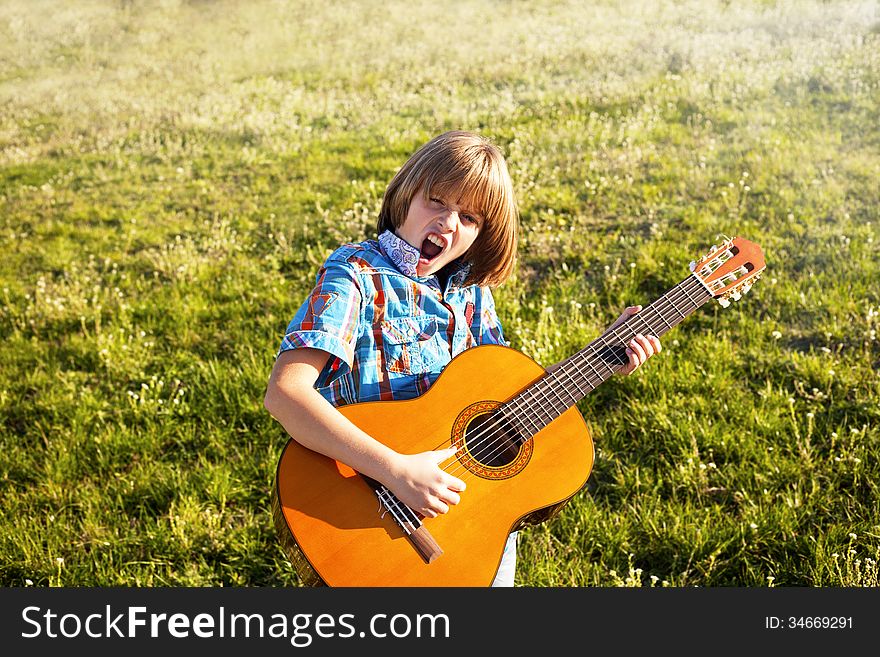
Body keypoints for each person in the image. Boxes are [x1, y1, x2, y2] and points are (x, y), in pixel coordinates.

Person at [263, 130, 661, 587]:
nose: (448, 224)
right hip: (373, 510)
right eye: (437, 201)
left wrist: (605, 353)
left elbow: (504, 404)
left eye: (468, 216)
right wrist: (396, 470)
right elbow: (286, 393)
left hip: (469, 519)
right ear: (405, 196)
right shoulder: (356, 276)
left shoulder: (473, 293)